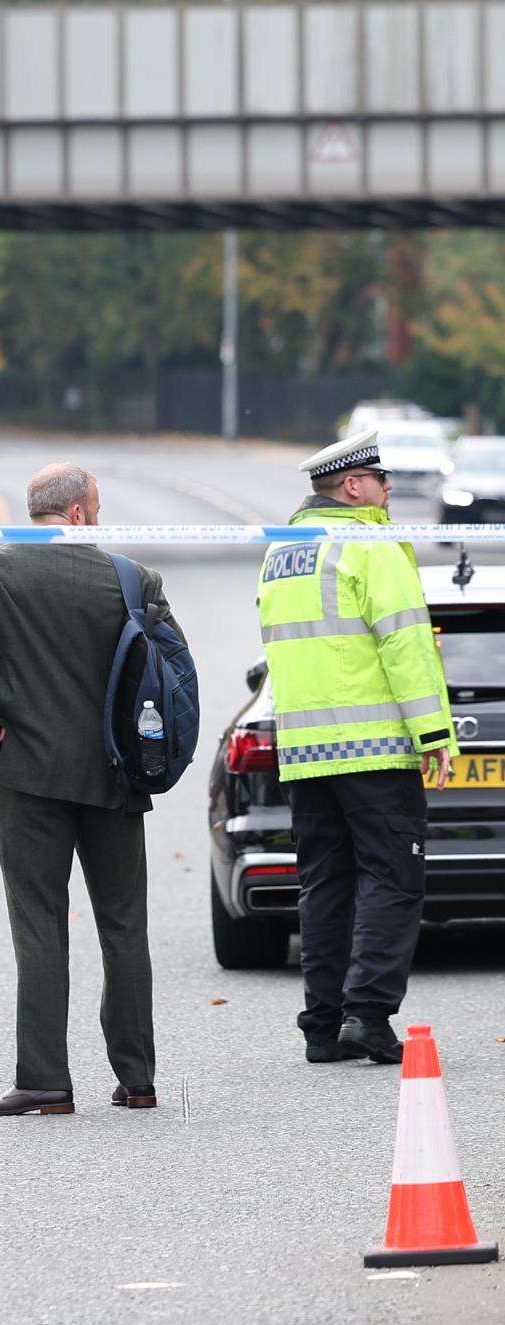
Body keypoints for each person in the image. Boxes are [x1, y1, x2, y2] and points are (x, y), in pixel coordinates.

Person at [0, 463, 181, 1116]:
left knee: (39, 924)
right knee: (124, 926)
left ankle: (44, 1080)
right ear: (75, 515)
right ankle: (138, 1078)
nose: (99, 518)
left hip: (29, 779)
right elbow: (174, 670)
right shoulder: (131, 580)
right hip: (117, 776)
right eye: (96, 507)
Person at [256, 429, 456, 1066]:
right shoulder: (368, 541)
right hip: (372, 747)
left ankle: (322, 1025)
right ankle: (366, 1016)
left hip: (306, 748)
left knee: (324, 883)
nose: (389, 488)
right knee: (393, 878)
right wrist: (434, 733)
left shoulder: (284, 549)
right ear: (352, 486)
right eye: (380, 479)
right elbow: (405, 643)